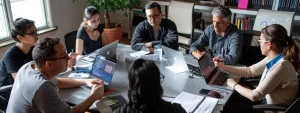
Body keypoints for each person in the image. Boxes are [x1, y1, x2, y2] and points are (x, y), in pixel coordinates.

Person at [214, 24, 299, 113]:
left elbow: (254, 96)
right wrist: (224, 67)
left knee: (223, 107)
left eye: (260, 41)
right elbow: (250, 71)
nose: (259, 44)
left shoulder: (281, 66)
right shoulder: (274, 58)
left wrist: (233, 85)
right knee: (226, 98)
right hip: (264, 102)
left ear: (269, 44)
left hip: (269, 110)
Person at [7, 38, 104, 113]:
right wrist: (94, 96)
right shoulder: (42, 87)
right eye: (63, 56)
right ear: (49, 64)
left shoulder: (29, 66)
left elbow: (59, 83)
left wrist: (85, 81)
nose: (68, 57)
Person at [0, 18, 76, 88]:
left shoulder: (34, 48)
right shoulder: (10, 57)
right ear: (20, 37)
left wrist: (65, 62)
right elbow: (21, 83)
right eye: (32, 33)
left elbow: (47, 68)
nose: (37, 35)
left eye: (36, 31)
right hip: (9, 92)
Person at [114, 59, 186, 113]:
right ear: (157, 84)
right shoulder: (176, 110)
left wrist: (101, 97)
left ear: (129, 85)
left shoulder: (120, 111)